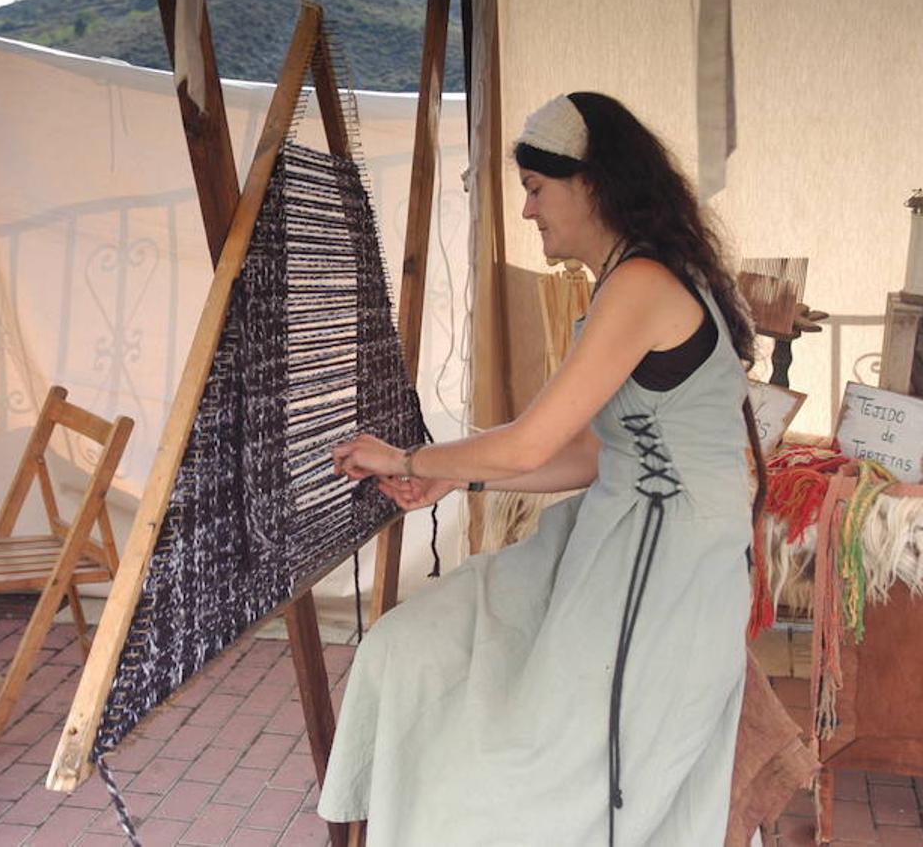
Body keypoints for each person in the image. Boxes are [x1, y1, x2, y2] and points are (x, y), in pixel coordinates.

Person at [318, 92, 761, 846]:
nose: (527, 211)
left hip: (665, 569)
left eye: (534, 188)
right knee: (410, 650)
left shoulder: (643, 285)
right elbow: (593, 452)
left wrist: (405, 458)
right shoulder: (630, 283)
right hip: (621, 538)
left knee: (561, 769)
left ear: (590, 184)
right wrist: (457, 477)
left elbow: (529, 443)